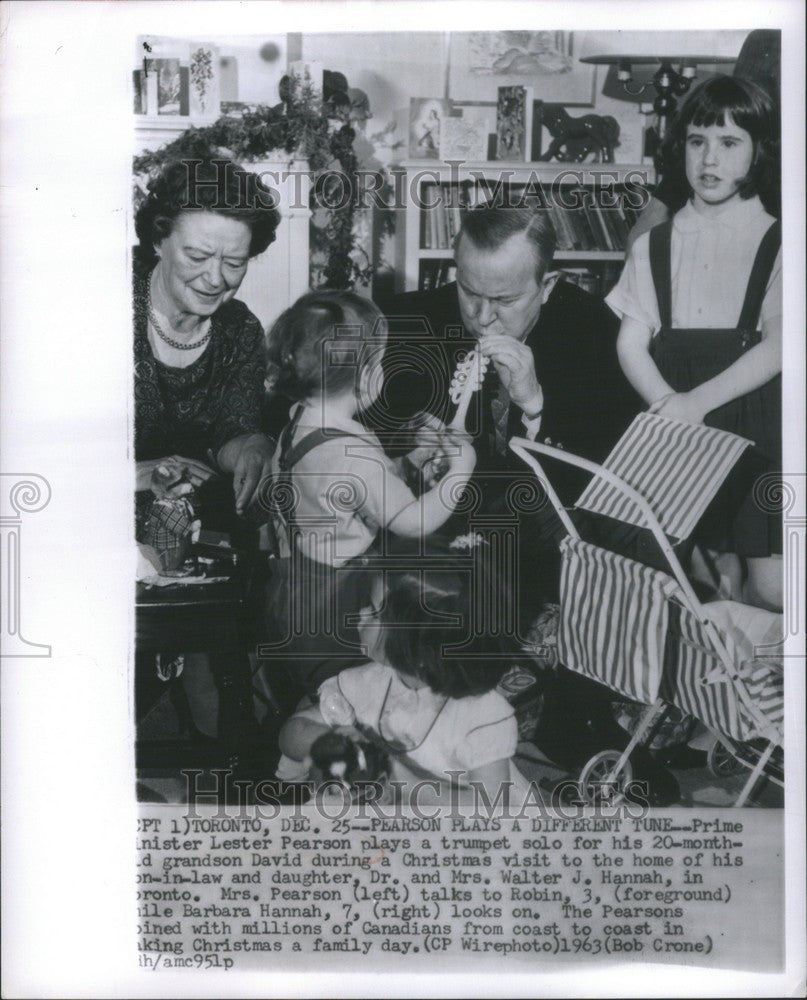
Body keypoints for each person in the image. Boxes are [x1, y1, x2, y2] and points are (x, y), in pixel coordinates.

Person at [374, 204, 642, 611]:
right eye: (469, 291)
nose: (482, 318)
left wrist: (534, 407)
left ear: (548, 285)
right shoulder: (406, 321)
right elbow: (348, 419)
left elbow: (603, 479)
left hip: (542, 555)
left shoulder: (594, 334)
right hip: (433, 551)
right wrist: (405, 438)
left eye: (505, 300)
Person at [607, 76, 782, 611]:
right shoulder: (653, 243)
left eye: (730, 143)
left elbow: (782, 344)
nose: (710, 158)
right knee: (696, 578)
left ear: (760, 152)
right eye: (698, 140)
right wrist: (669, 405)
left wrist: (694, 405)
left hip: (753, 424)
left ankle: (760, 686)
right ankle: (701, 686)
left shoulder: (780, 240)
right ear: (679, 146)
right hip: (674, 426)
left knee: (769, 587)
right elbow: (631, 342)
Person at [261, 290, 476, 709]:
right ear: (363, 376)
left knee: (323, 699)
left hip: (293, 599)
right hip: (340, 609)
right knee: (359, 704)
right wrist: (461, 470)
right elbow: (412, 521)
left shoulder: (297, 429)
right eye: (380, 360)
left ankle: (299, 747)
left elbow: (339, 494)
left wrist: (410, 465)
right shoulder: (355, 455)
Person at [276, 546, 527, 804]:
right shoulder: (366, 682)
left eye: (374, 612)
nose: (361, 614)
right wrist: (328, 742)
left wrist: (399, 780)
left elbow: (491, 810)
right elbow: (290, 734)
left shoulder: (481, 716)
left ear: (418, 650)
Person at [134, 156, 280, 525]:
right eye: (197, 256)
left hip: (198, 527)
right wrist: (134, 473)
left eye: (234, 263)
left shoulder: (240, 328)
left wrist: (253, 448)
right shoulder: (100, 309)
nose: (215, 279)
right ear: (158, 241)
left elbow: (233, 430)